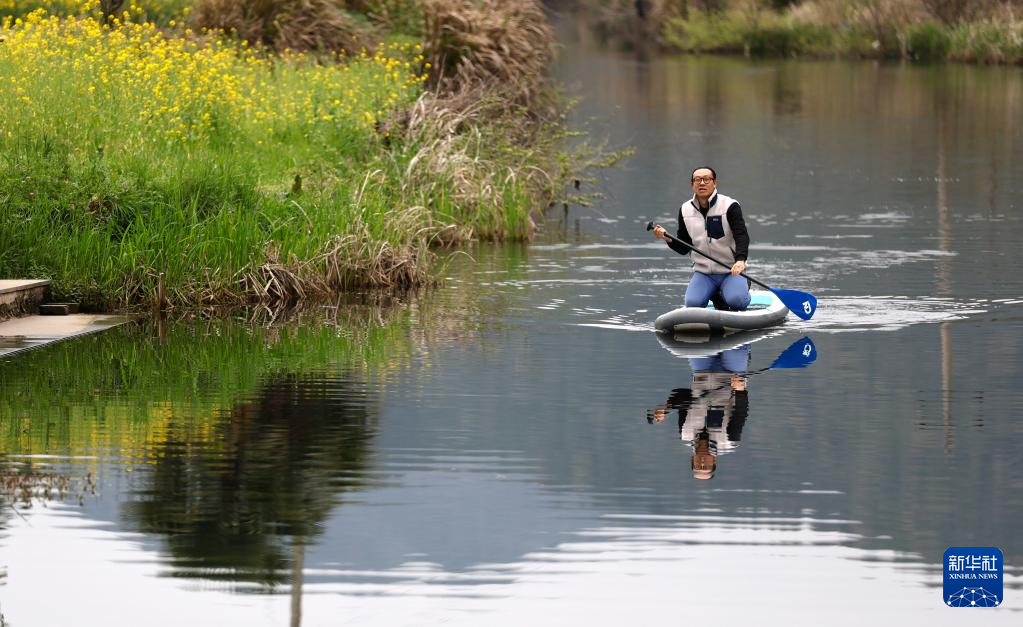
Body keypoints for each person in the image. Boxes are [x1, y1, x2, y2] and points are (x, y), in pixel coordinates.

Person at [652, 166, 751, 311]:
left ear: (714, 183)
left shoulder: (730, 206)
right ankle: (716, 294)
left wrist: (740, 260)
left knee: (736, 302)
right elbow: (684, 247)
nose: (702, 183)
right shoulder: (685, 209)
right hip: (704, 274)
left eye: (706, 179)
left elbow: (741, 236)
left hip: (731, 271)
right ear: (692, 185)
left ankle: (742, 285)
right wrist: (667, 238)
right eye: (697, 180)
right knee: (692, 304)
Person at [647, 345, 751, 480]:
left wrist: (667, 407)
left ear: (692, 460)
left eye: (698, 465)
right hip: (732, 375)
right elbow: (741, 412)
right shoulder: (729, 441)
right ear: (714, 461)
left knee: (694, 345)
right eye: (706, 466)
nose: (702, 462)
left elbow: (682, 394)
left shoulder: (685, 433)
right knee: (735, 348)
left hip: (702, 373)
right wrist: (740, 390)